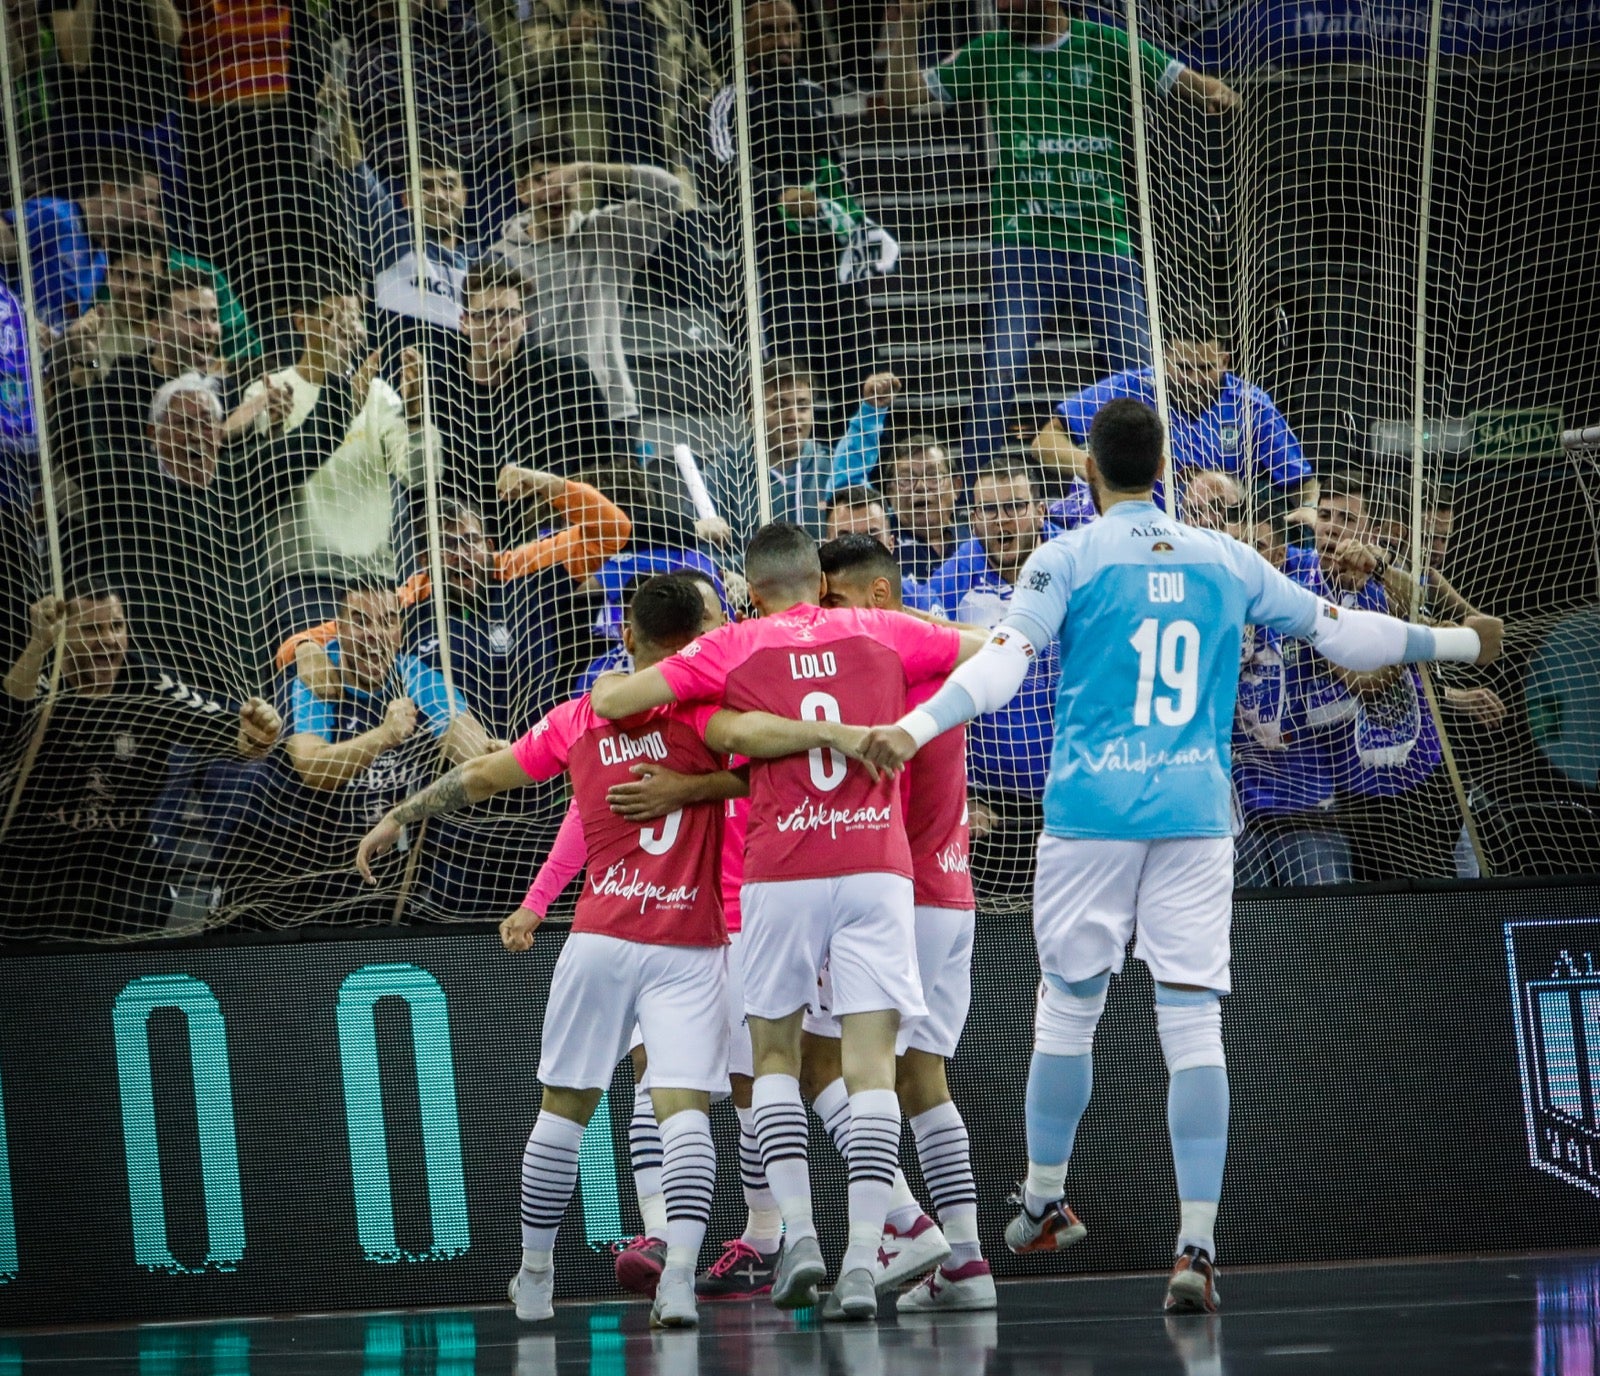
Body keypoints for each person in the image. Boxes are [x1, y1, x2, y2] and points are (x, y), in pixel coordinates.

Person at [858, 397, 1503, 1314]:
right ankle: (1196, 1243)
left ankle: (1044, 1195)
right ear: (1164, 465)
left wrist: (913, 724)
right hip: (1199, 812)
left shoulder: (1066, 556)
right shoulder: (1227, 557)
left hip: (1091, 813)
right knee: (1192, 1021)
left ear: (1089, 470)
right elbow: (1345, 632)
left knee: (1068, 1012)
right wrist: (1460, 639)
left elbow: (1000, 669)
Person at [353, 572, 877, 1328]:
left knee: (562, 1112)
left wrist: (402, 812)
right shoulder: (709, 716)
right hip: (690, 944)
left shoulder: (578, 719)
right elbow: (770, 767)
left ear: (626, 636)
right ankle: (678, 1285)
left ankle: (535, 1277)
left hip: (600, 938)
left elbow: (480, 774)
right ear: (701, 640)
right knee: (685, 1114)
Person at [590, 523, 985, 1322]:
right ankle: (866, 1265)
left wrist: (712, 696)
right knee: (871, 1069)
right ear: (817, 577)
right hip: (878, 869)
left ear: (750, 586)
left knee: (776, 1056)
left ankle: (798, 1234)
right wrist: (920, 667)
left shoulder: (734, 644)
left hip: (783, 872)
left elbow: (612, 699)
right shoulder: (881, 629)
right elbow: (992, 648)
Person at [881, 0, 1240, 488]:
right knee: (999, 376)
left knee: (1141, 377)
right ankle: (967, 499)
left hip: (1104, 245)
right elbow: (901, 95)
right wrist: (905, 24)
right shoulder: (991, 51)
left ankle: (1168, 488)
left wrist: (1218, 95)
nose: (1000, 9)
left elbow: (1203, 86)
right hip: (1024, 249)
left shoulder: (1108, 44)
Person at [813, 533, 995, 1312]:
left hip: (899, 897)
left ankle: (906, 1223)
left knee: (819, 1065)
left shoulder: (877, 663)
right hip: (953, 897)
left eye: (834, 599)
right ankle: (968, 1265)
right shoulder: (943, 657)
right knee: (923, 1080)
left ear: (877, 598)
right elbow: (988, 643)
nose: (822, 616)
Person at [0, 582, 281, 935]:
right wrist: (38, 644)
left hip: (123, 868)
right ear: (62, 635)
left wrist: (257, 733)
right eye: (91, 629)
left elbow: (221, 730)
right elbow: (9, 716)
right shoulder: (38, 682)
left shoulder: (146, 683)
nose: (108, 641)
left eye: (116, 627)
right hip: (33, 869)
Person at [219, 580, 494, 926]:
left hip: (380, 875)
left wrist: (491, 754)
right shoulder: (317, 677)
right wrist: (383, 735)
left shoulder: (416, 675)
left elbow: (463, 737)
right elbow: (313, 766)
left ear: (400, 629)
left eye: (387, 621)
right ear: (340, 627)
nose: (374, 634)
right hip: (296, 872)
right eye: (361, 621)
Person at [701, 0, 893, 400]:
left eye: (790, 28)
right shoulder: (729, 100)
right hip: (771, 257)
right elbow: (721, 169)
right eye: (769, 31)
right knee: (791, 373)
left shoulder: (816, 95)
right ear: (745, 40)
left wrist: (850, 218)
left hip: (828, 250)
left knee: (854, 364)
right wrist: (779, 195)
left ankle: (852, 456)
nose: (783, 40)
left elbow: (836, 168)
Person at [1283, 476, 1456, 881]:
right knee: (1374, 910)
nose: (1333, 526)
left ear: (1371, 530)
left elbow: (1418, 605)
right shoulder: (1298, 574)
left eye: (1347, 517)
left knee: (1438, 901)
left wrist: (1376, 569)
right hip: (1350, 787)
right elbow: (1263, 546)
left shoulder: (1381, 580)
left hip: (1416, 777)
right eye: (1326, 515)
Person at [250, 271, 429, 642]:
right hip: (303, 575)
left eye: (352, 319)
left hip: (375, 577)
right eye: (332, 317)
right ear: (302, 321)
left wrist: (415, 417)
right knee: (309, 688)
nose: (344, 330)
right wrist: (275, 429)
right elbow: (261, 480)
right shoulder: (269, 389)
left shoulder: (380, 394)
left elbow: (418, 475)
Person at [928, 461, 1064, 903]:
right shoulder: (948, 586)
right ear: (971, 517)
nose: (1003, 520)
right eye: (989, 509)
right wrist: (959, 795)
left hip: (1072, 791)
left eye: (1015, 506)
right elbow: (934, 694)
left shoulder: (1073, 572)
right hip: (989, 804)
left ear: (1040, 510)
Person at [429, 258, 629, 548]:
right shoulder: (440, 392)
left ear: (525, 321)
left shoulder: (569, 378)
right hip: (472, 554)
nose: (498, 325)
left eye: (508, 314)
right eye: (485, 315)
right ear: (464, 323)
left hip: (561, 543)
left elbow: (613, 469)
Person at [1033, 319, 1317, 515]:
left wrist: (1310, 509)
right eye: (1183, 368)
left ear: (1225, 361)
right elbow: (1044, 442)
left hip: (1219, 539)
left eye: (1206, 368)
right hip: (1137, 529)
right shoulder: (1130, 388)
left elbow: (1302, 481)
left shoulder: (1251, 405)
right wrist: (1100, 471)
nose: (1194, 380)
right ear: (1164, 357)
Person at [490, 148, 688, 430]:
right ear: (522, 190)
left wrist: (586, 168)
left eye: (566, 180)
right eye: (543, 180)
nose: (556, 191)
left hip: (610, 409)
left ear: (580, 187)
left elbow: (669, 190)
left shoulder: (610, 232)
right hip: (537, 414)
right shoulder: (497, 258)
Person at [1228, 507, 1352, 887]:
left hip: (1305, 807)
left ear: (1279, 557)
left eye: (1258, 546)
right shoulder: (1207, 609)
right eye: (1235, 546)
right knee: (1245, 931)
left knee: (1325, 926)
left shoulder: (1306, 604)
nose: (1244, 556)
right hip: (1234, 817)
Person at [700, 358, 901, 554]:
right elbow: (700, 555)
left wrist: (872, 410)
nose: (794, 416)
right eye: (779, 405)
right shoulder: (720, 476)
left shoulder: (833, 467)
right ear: (751, 413)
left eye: (803, 406)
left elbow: (875, 529)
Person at [824, 486, 944, 616]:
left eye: (872, 538)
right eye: (845, 539)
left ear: (891, 544)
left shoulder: (921, 601)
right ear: (825, 546)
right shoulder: (812, 598)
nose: (858, 551)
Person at [880, 435, 961, 581]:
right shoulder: (880, 543)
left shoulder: (978, 541)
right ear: (890, 493)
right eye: (906, 479)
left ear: (956, 486)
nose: (921, 487)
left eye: (934, 476)